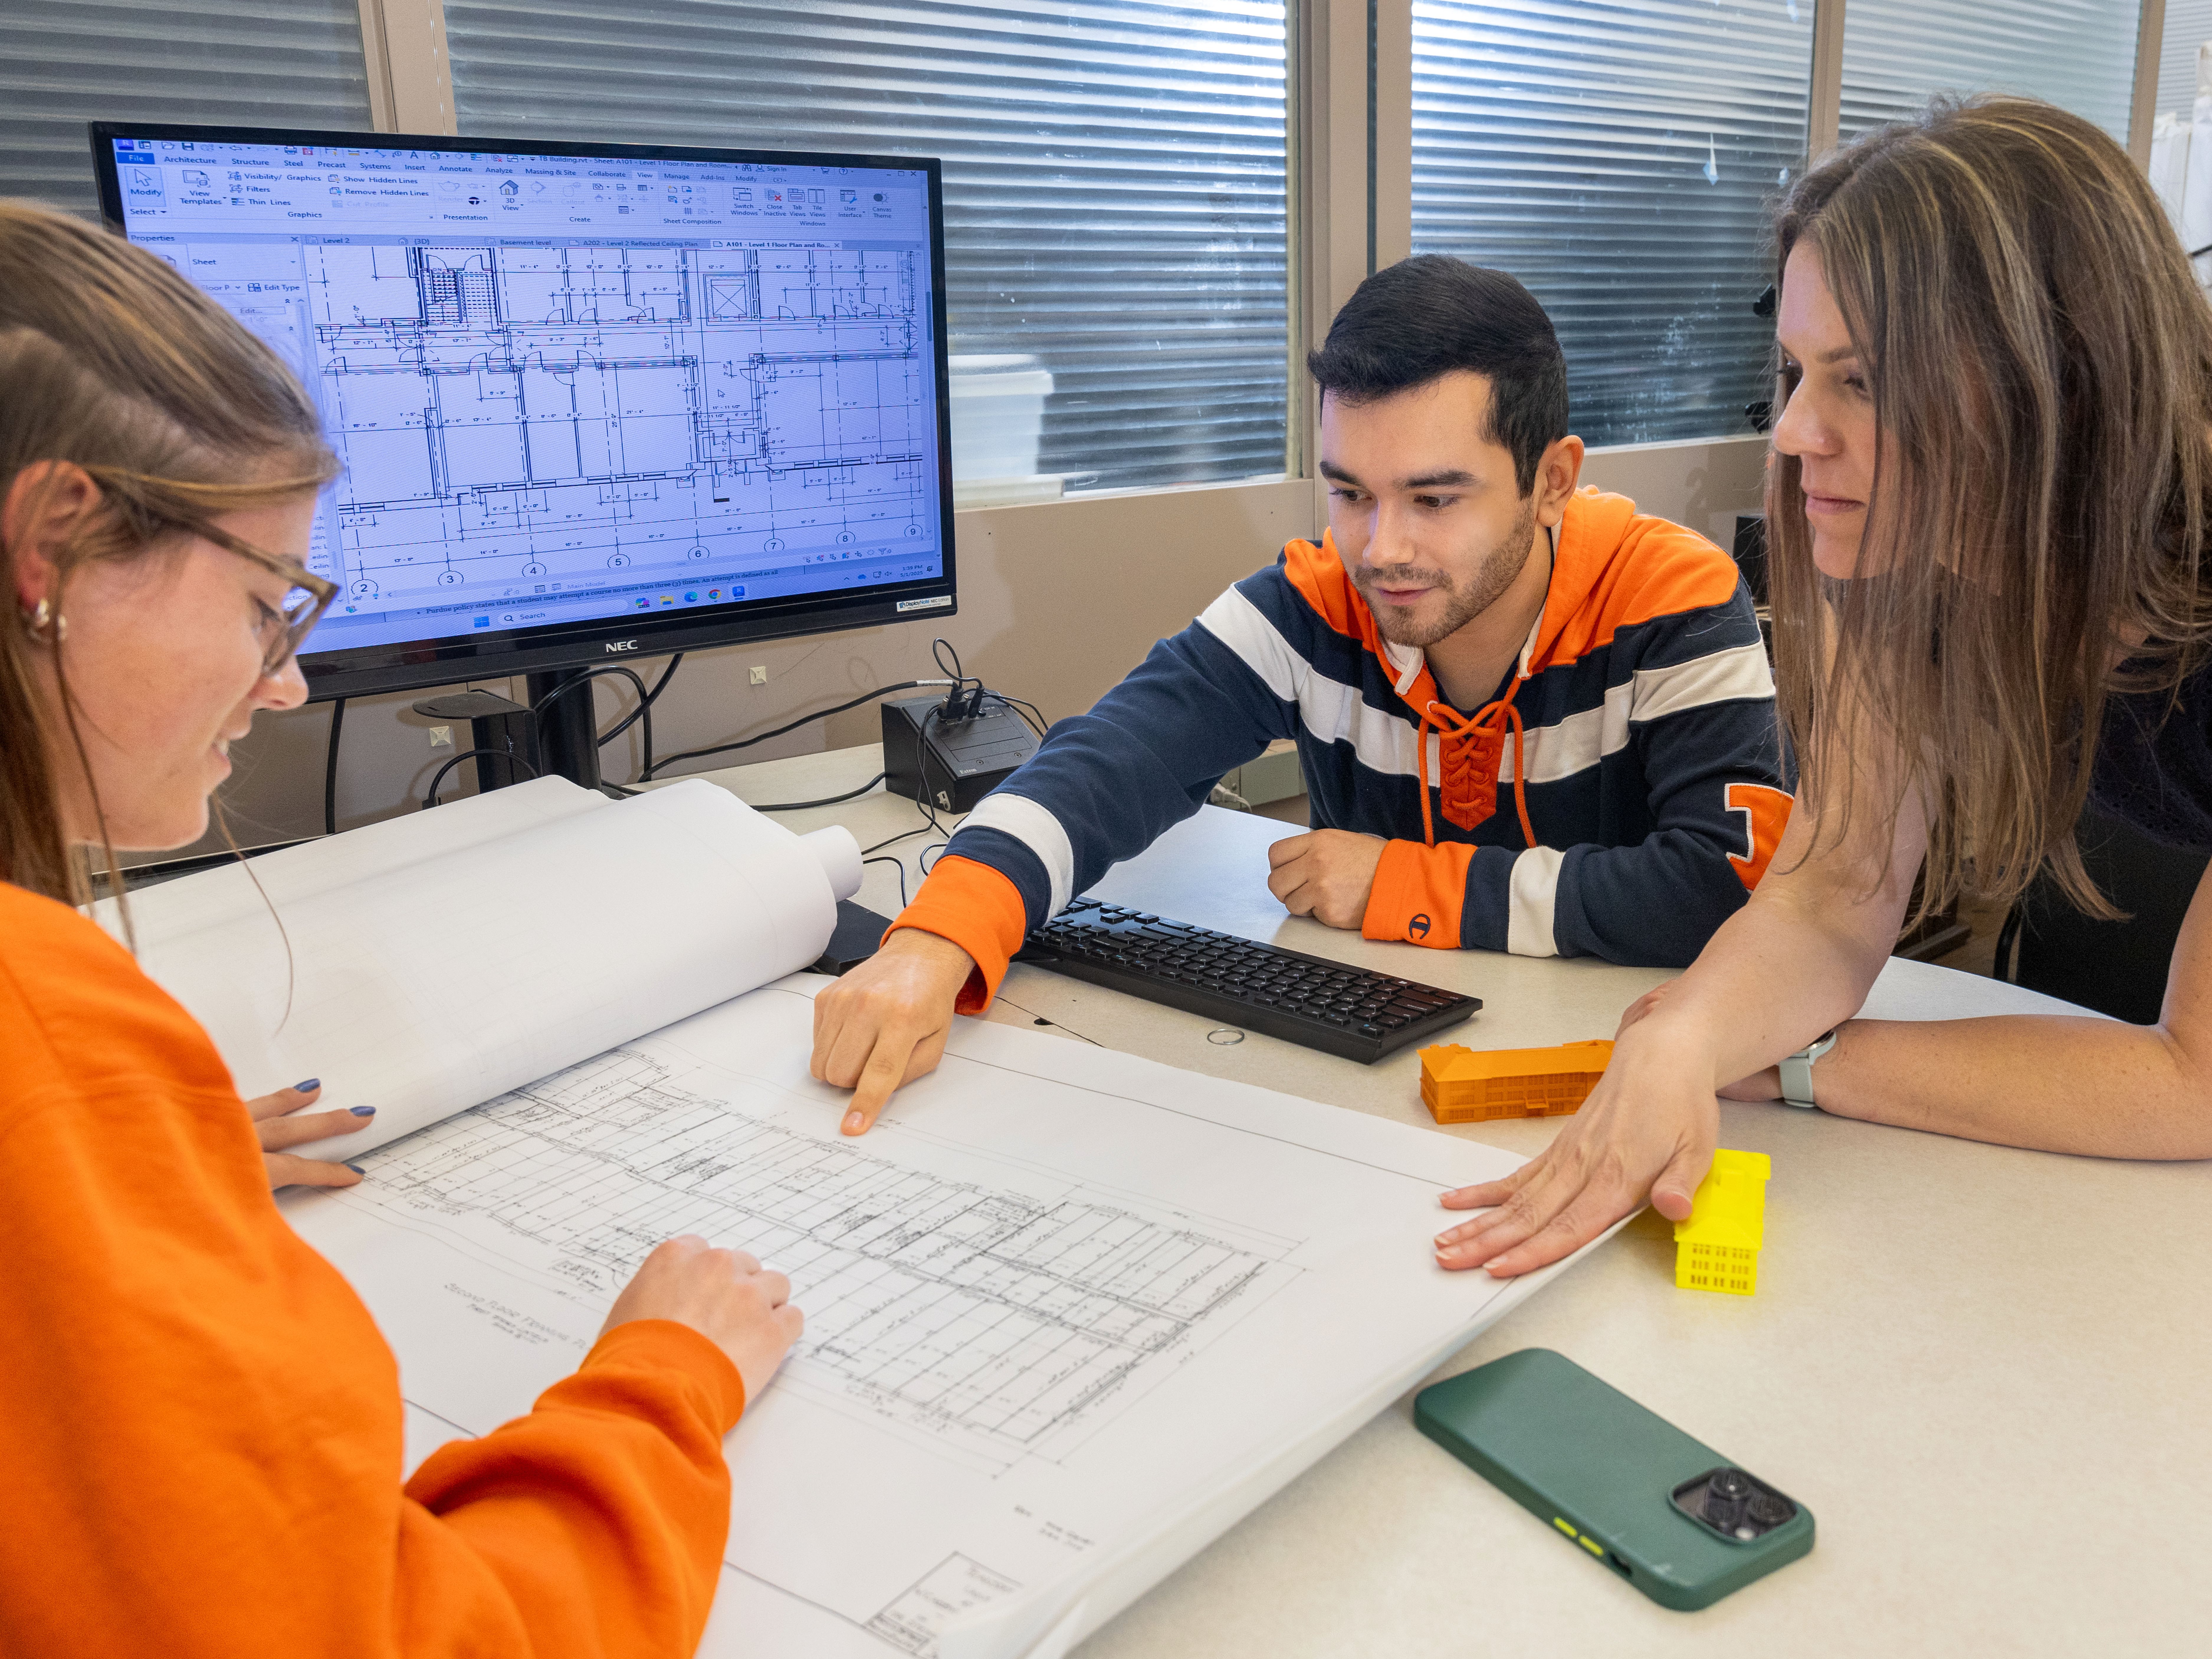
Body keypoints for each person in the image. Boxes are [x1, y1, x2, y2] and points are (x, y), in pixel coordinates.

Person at [0, 199, 801, 1655]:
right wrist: (661, 1382)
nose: (288, 684)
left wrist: (112, 1189)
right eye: (267, 604)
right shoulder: (37, 1041)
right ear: (49, 546)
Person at [1434, 96, 2212, 1281]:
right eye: (1797, 370)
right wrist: (1691, 1036)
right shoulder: (1908, 555)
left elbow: (2194, 1084)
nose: (1797, 432)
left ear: (2057, 382)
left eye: (1861, 380)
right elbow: (1830, 898)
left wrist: (1798, 1063)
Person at [816, 256, 1790, 1133]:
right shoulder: (1315, 599)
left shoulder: (1675, 597)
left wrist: (1403, 884)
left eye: (1434, 499)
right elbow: (1104, 764)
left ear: (1551, 481)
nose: (1380, 549)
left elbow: (1723, 890)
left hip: (1626, 1089)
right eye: (1350, 493)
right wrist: (935, 941)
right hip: (1379, 1101)